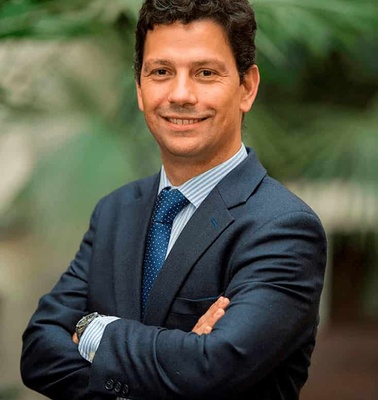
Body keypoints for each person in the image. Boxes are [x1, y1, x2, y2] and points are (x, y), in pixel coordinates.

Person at [21, 1, 327, 399]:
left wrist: (94, 329)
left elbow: (211, 368)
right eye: (162, 72)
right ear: (139, 88)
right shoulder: (115, 211)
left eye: (205, 73)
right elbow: (39, 352)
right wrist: (178, 357)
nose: (181, 94)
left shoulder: (283, 227)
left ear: (247, 88)